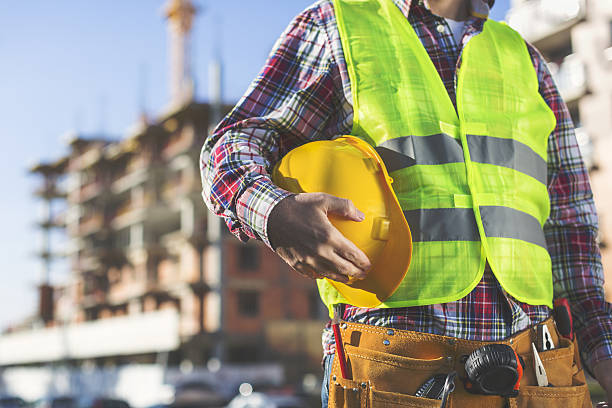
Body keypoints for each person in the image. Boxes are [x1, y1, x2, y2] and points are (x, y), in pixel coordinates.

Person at [200, 0, 612, 406]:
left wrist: (602, 348)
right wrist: (275, 213)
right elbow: (231, 145)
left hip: (539, 372)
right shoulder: (337, 28)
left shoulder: (525, 58)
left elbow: (569, 224)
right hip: (396, 373)